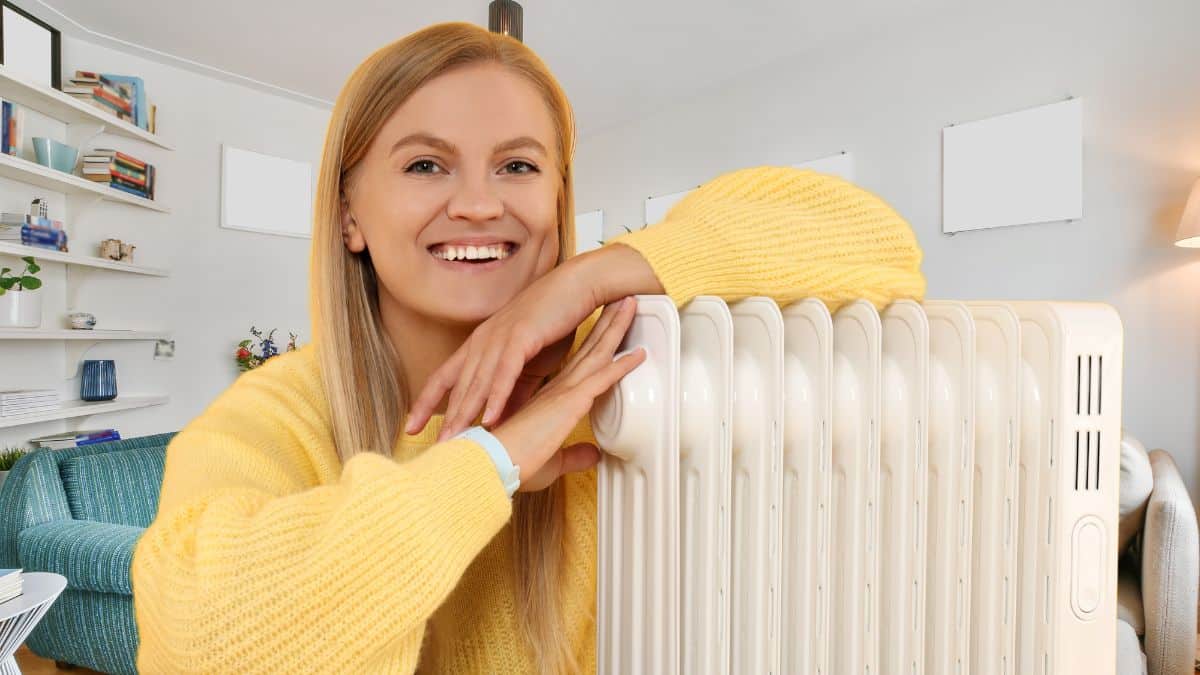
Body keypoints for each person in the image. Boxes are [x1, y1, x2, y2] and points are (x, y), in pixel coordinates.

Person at [131, 21, 925, 674]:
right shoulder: (269, 416)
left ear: (556, 198)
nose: (479, 204)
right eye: (425, 164)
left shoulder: (609, 362)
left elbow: (880, 242)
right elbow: (198, 642)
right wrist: (490, 462)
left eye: (517, 165)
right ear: (349, 216)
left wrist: (580, 282)